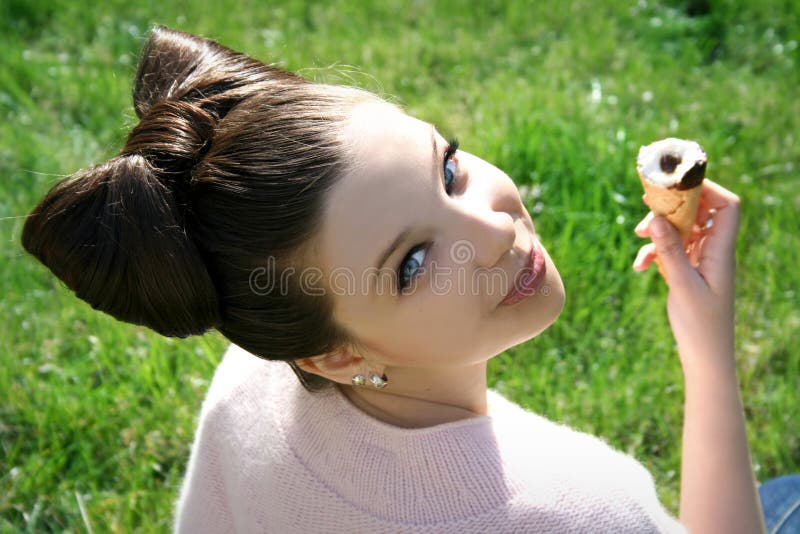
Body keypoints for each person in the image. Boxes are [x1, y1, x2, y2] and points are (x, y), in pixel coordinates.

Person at [21, 26, 779, 533]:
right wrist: (709, 356)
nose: (493, 229)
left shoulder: (245, 381)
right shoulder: (579, 505)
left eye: (447, 169)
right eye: (411, 263)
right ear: (335, 357)